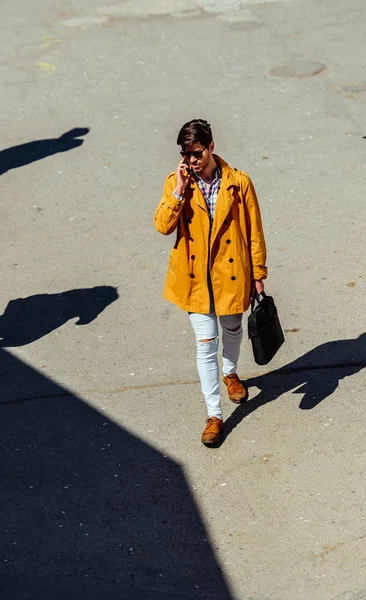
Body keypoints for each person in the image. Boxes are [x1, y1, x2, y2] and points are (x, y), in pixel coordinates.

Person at [154, 119, 267, 444]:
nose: (192, 160)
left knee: (232, 329)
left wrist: (258, 273)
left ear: (211, 147)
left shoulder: (239, 182)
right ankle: (214, 415)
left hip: (231, 273)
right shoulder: (176, 183)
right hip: (195, 278)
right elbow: (162, 226)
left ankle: (230, 373)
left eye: (197, 152)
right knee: (205, 345)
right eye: (186, 154)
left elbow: (254, 231)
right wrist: (177, 190)